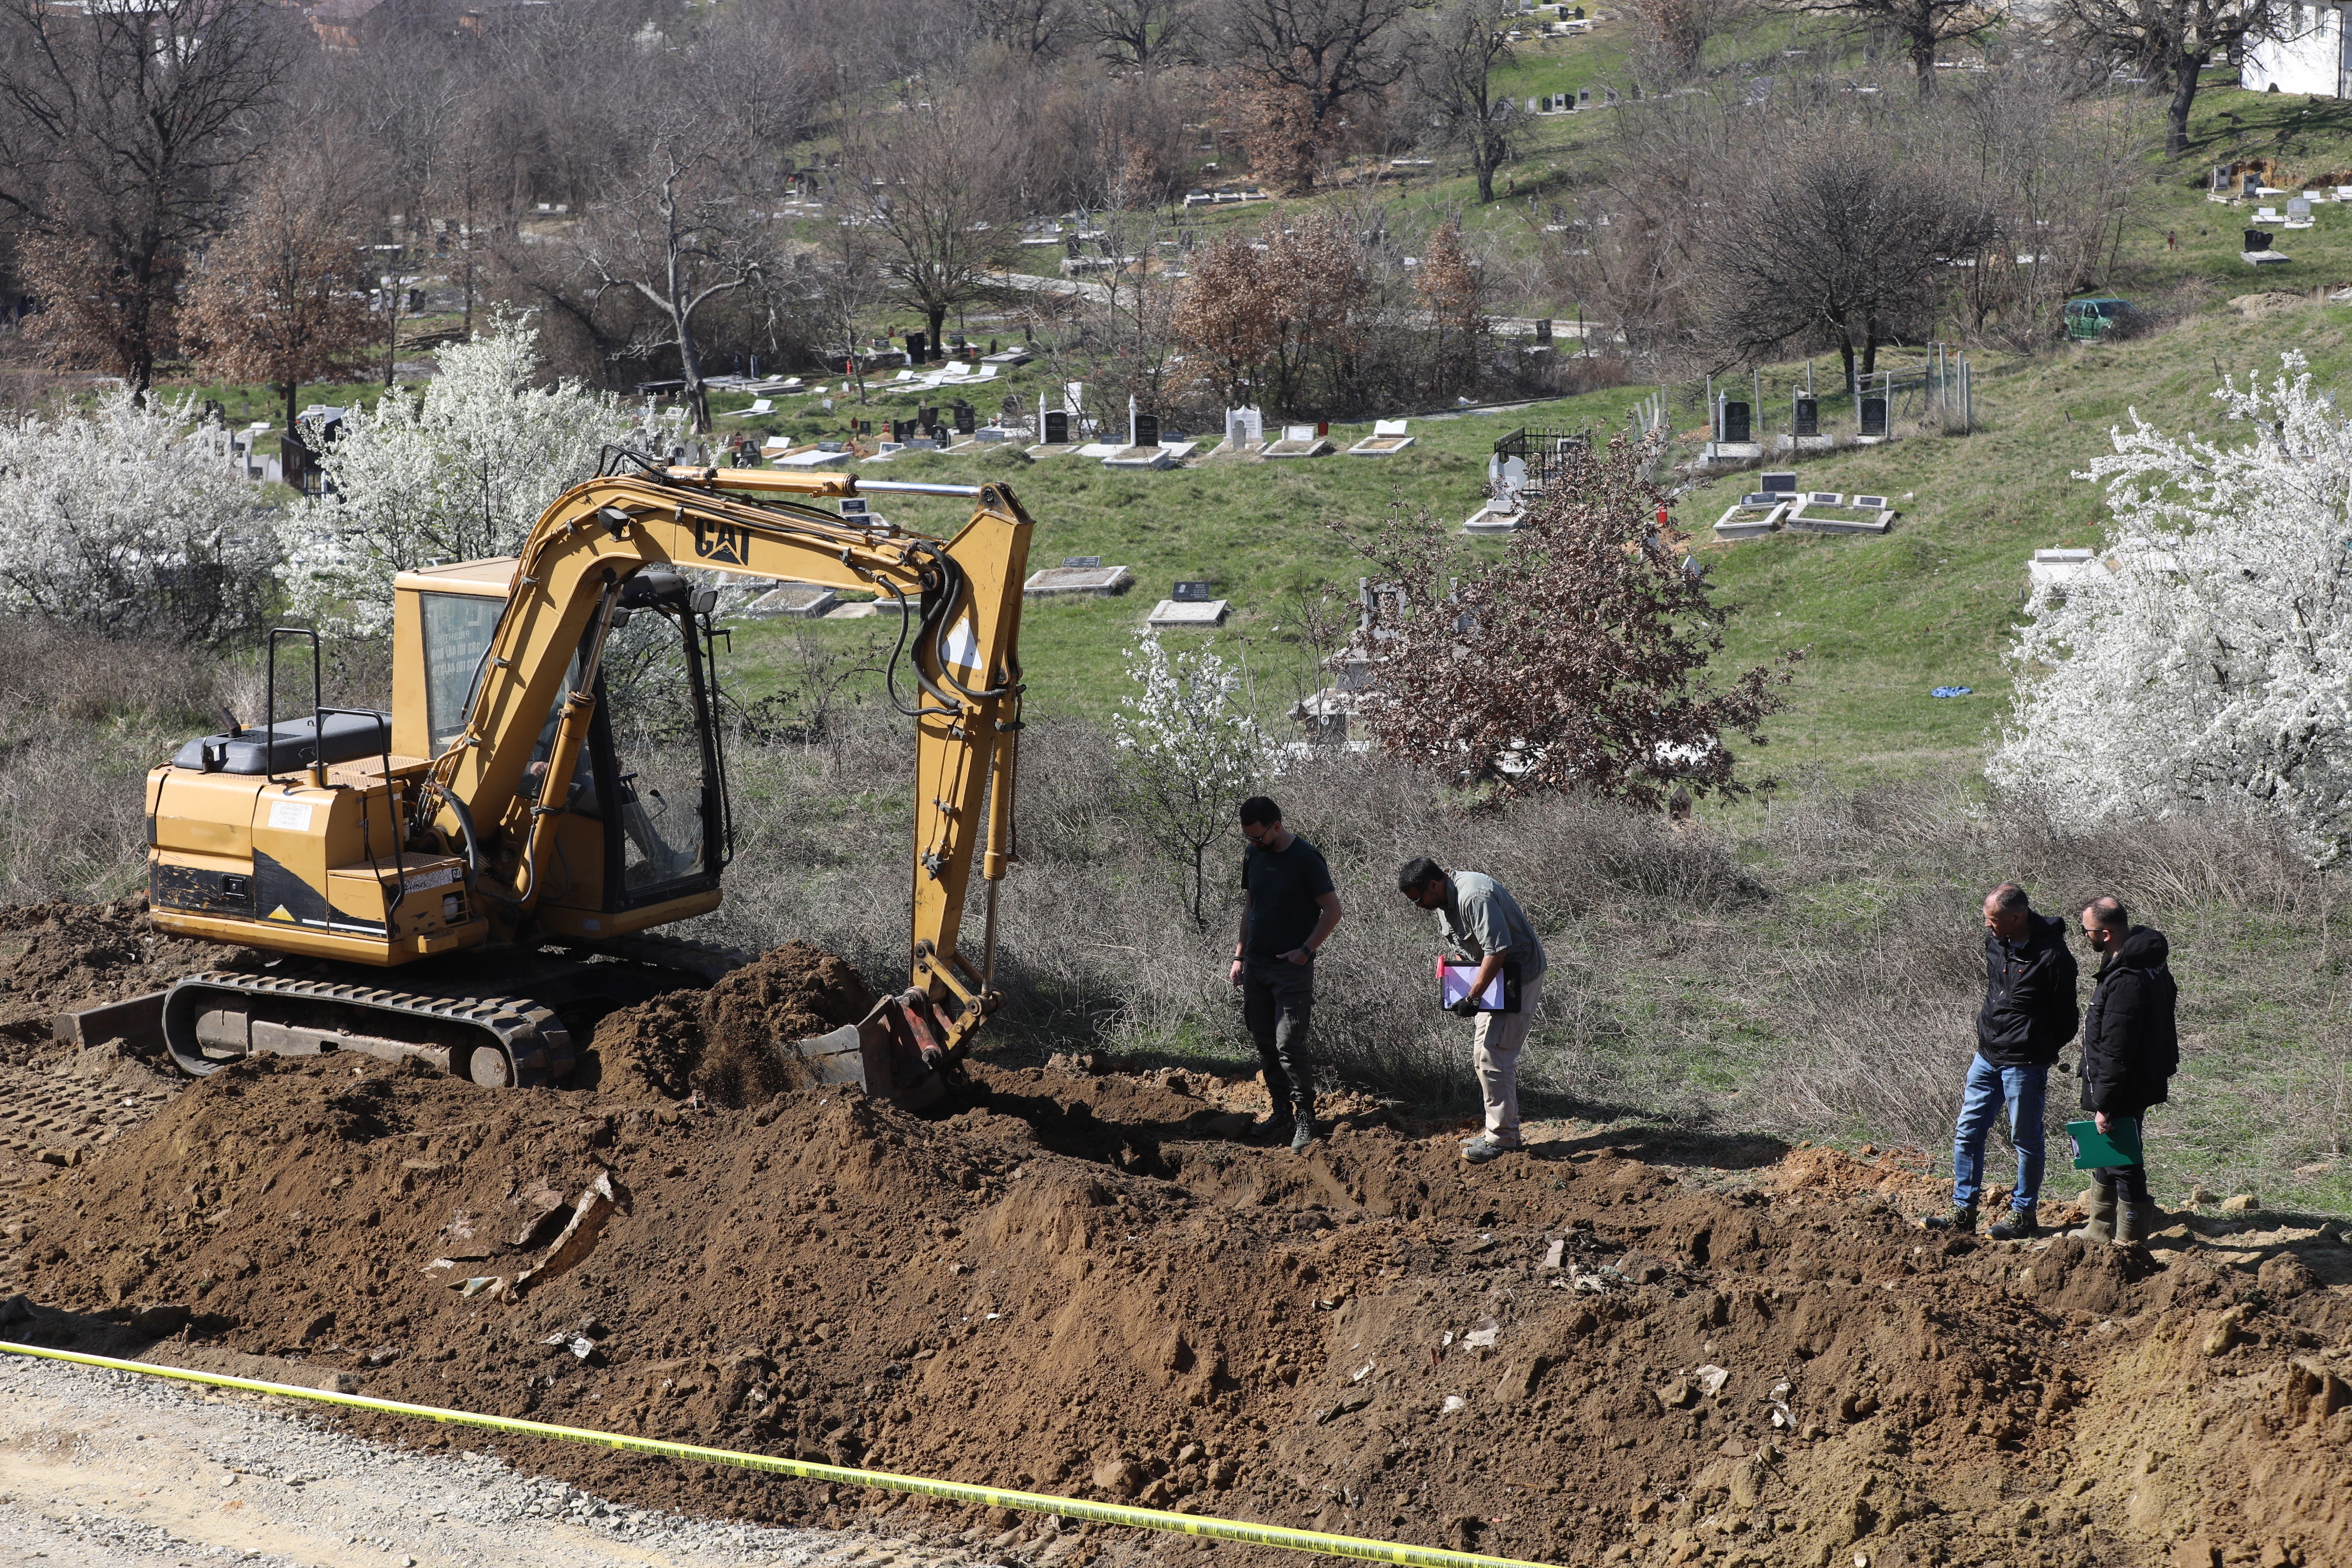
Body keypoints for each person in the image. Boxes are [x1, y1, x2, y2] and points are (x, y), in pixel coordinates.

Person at [1930, 883, 2079, 1239]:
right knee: (1967, 1132)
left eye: (1994, 920)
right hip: (1987, 1055)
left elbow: (2067, 1019)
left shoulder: (2054, 957)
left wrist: (2037, 1049)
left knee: (2024, 1138)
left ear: (2017, 917)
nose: (1988, 926)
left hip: (2025, 1064)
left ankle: (2024, 1214)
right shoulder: (1996, 941)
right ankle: (1963, 1210)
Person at [1397, 858, 1547, 1165]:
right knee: (1482, 1056)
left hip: (1517, 977)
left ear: (1434, 885)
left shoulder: (1474, 896)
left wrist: (1472, 995)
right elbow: (1467, 948)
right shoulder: (1442, 902)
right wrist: (1457, 979)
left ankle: (1504, 1138)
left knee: (1496, 1056)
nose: (1416, 905)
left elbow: (1497, 951)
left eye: (1417, 898)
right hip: (1494, 977)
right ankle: (1498, 1130)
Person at [1230, 797, 1342, 1151]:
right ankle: (1281, 1112)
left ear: (1276, 826)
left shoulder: (1306, 859)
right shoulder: (1254, 854)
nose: (1254, 844)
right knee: (1264, 1042)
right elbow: (1251, 906)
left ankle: (1306, 1116)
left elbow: (1333, 910)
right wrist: (1239, 956)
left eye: (1259, 838)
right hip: (1256, 965)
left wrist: (1306, 951)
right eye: (1248, 839)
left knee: (1289, 1044)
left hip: (1290, 969)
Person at [2073, 896, 2178, 1246]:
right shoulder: (2141, 962)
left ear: (2105, 933)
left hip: (2125, 1083)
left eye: (2085, 931)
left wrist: (2104, 1104)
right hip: (2137, 1076)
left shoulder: (2127, 980)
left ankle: (2130, 1242)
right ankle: (2100, 1229)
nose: (2083, 936)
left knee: (2123, 1160)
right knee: (2108, 1152)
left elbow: (2117, 1048)